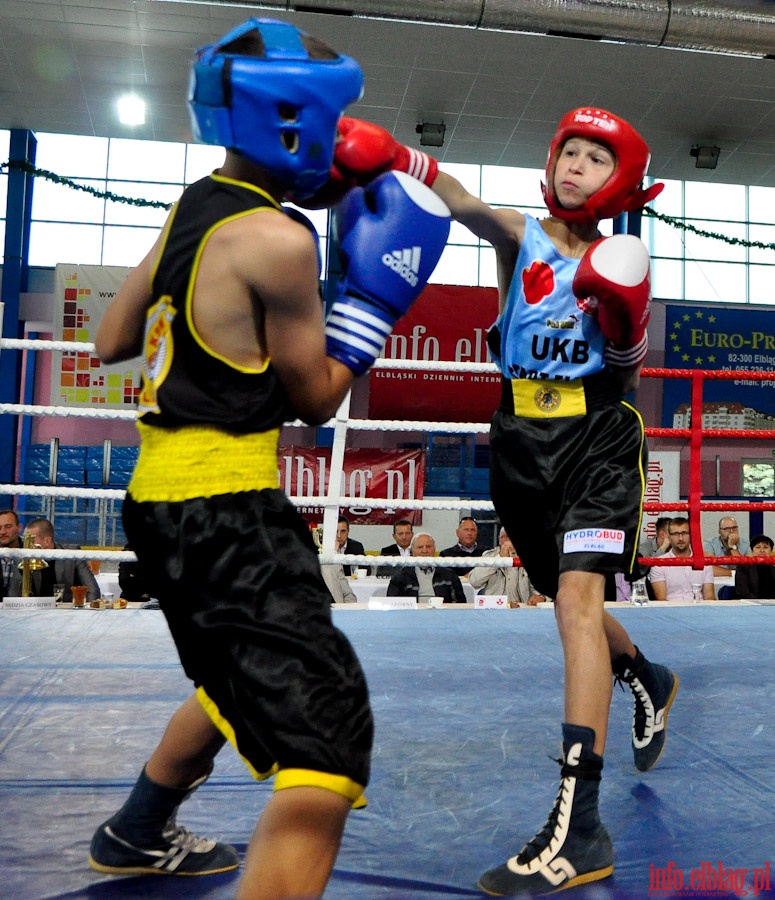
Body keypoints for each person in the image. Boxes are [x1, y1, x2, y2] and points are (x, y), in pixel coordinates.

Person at [87, 17, 450, 900]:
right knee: (324, 739)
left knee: (235, 671)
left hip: (160, 499)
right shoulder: (279, 244)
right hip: (227, 507)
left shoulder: (196, 204)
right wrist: (373, 301)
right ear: (295, 123)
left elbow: (109, 338)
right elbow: (316, 395)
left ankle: (137, 829)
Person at [303, 106, 681, 893]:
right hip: (517, 440)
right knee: (561, 599)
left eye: (593, 159)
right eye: (567, 152)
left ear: (623, 184)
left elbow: (627, 371)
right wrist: (397, 158)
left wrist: (624, 328)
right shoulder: (521, 235)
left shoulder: (625, 259)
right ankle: (644, 674)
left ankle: (579, 825)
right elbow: (463, 202)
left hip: (597, 443)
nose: (574, 167)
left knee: (576, 602)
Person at [23, 517, 101, 604]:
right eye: (25, 540)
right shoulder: (23, 558)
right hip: (35, 611)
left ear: (47, 541)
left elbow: (93, 591)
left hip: (68, 612)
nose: (26, 546)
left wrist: (86, 614)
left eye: (31, 541)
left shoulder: (72, 555)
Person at [468, 527, 545, 606]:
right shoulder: (489, 556)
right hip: (495, 608)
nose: (508, 540)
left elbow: (546, 585)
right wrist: (499, 558)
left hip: (523, 608)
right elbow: (474, 581)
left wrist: (541, 596)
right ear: (499, 540)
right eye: (504, 537)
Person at [387, 532, 466, 603]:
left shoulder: (449, 575)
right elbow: (393, 603)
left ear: (434, 549)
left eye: (428, 546)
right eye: (420, 547)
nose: (424, 550)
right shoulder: (401, 576)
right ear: (412, 551)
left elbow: (460, 603)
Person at [649, 517, 715, 601]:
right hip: (671, 610)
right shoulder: (659, 564)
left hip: (699, 610)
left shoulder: (704, 562)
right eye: (676, 534)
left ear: (691, 535)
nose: (680, 538)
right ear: (669, 536)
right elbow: (661, 600)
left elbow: (710, 597)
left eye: (684, 533)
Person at [734, 534, 775, 600]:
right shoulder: (744, 568)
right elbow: (743, 593)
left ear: (771, 551)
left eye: (765, 547)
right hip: (751, 605)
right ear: (752, 551)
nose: (762, 550)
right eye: (758, 547)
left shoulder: (773, 569)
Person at [0, 508, 24, 597]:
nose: (2, 532)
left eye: (8, 526)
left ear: (19, 528)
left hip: (24, 609)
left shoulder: (30, 552)